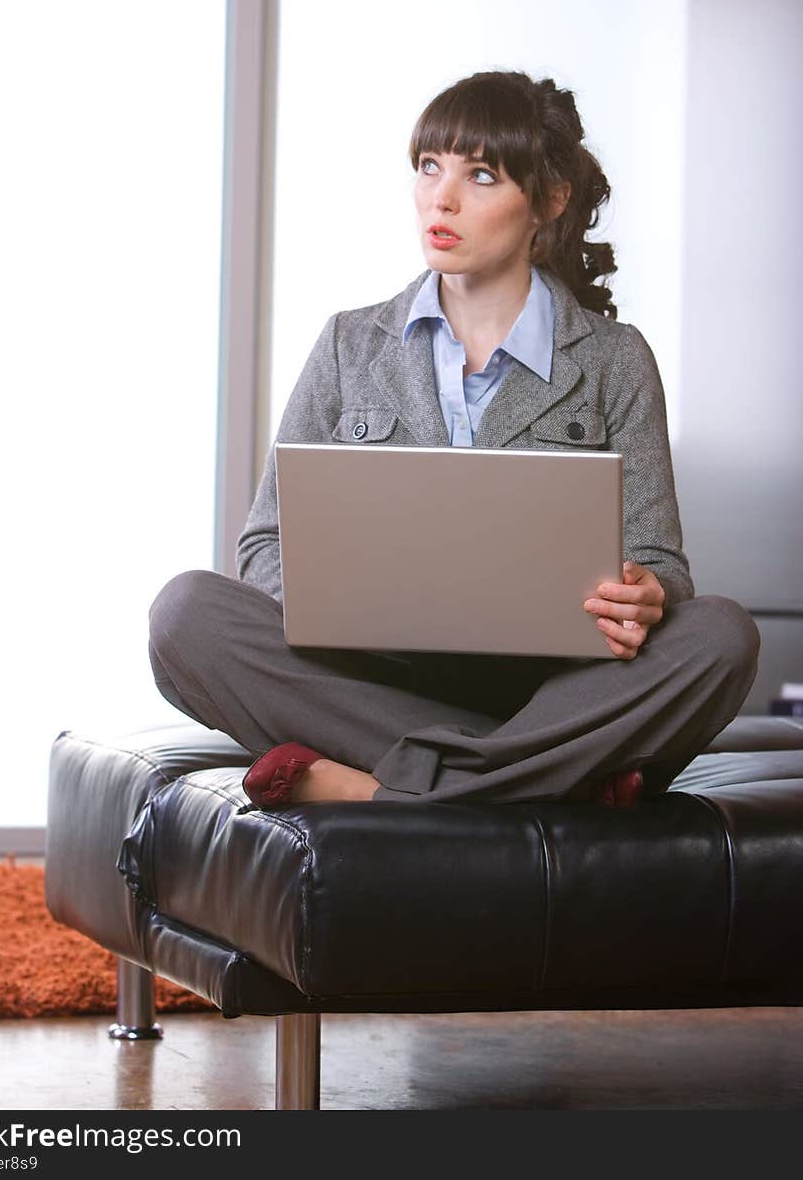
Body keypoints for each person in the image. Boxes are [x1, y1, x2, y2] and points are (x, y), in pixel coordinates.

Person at [149, 69, 759, 812]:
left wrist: (647, 594)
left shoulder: (614, 359)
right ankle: (534, 782)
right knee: (185, 615)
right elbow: (264, 545)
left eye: (480, 175)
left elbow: (660, 563)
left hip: (555, 692)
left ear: (549, 200)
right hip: (373, 681)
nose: (442, 197)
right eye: (430, 167)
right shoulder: (348, 344)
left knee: (721, 638)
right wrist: (344, 604)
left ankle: (379, 786)